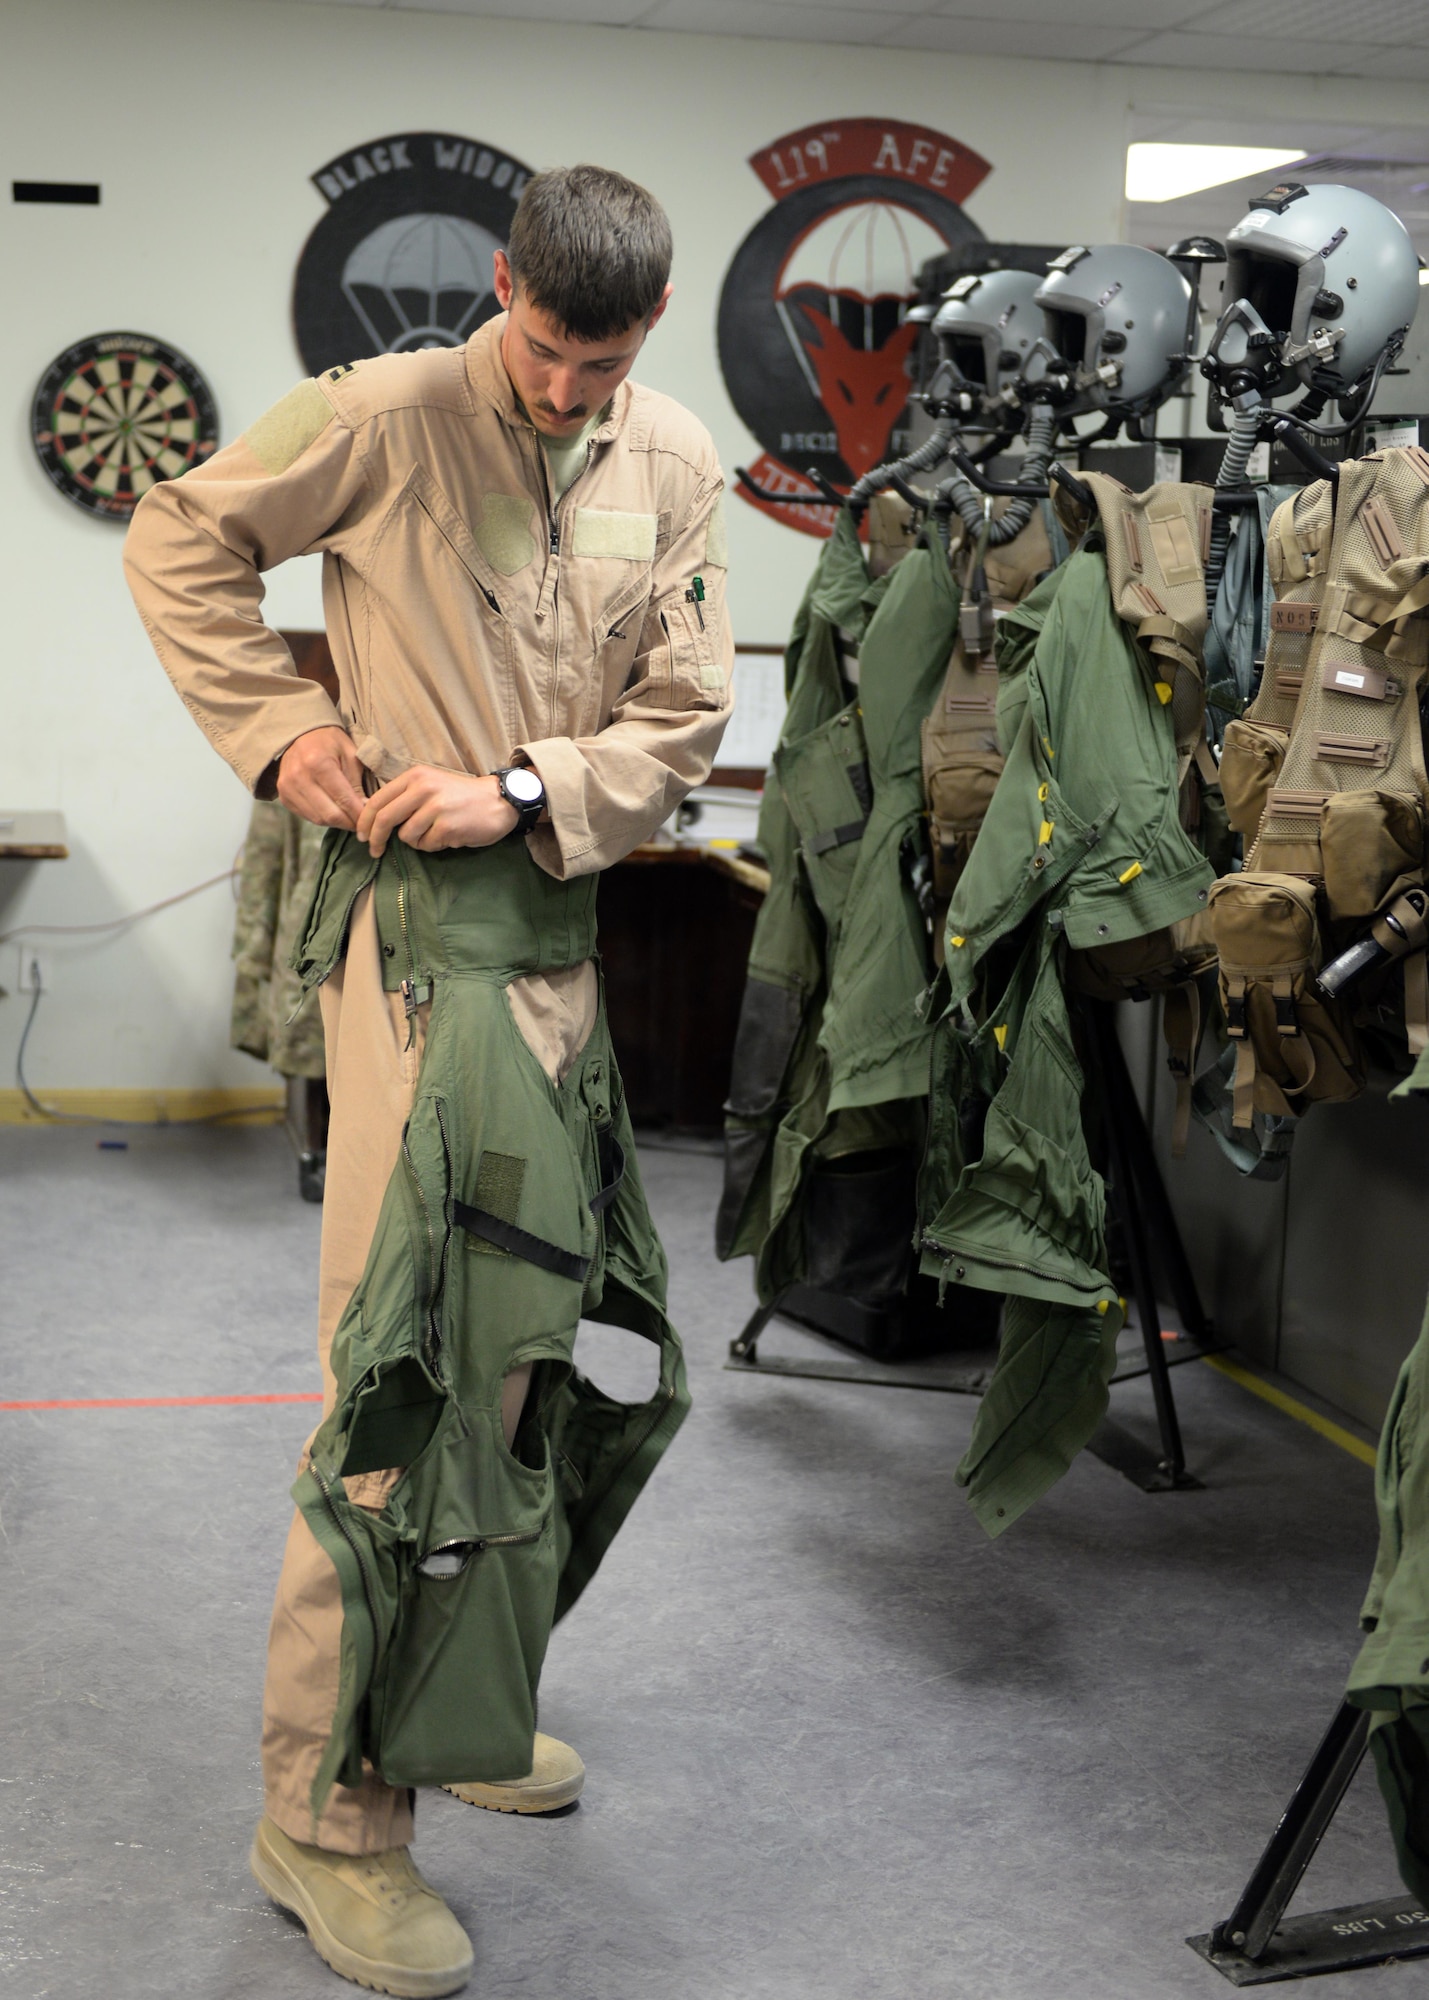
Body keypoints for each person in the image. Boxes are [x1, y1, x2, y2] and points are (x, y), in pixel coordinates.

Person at [124, 163, 732, 1997]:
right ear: (500, 288)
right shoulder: (382, 416)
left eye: (601, 365)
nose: (564, 394)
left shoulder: (676, 455)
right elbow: (177, 533)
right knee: (401, 1376)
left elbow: (683, 712)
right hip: (408, 963)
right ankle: (323, 1820)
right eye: (546, 351)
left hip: (553, 960)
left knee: (531, 1359)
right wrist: (283, 728)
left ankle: (462, 1705)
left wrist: (534, 789)